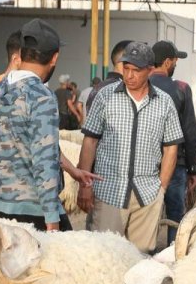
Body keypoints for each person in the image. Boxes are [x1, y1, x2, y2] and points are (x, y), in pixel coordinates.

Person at [0, 21, 94, 231]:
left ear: (21, 54)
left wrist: (72, 170)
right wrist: (52, 221)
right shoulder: (42, 96)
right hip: (35, 211)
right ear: (54, 58)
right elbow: (44, 160)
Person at [77, 41, 182, 251]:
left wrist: (161, 188)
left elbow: (171, 147)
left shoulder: (164, 102)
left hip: (147, 195)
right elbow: (90, 140)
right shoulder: (105, 97)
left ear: (150, 71)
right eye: (126, 68)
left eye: (136, 70)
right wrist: (85, 184)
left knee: (140, 260)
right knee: (104, 257)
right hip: (108, 192)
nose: (129, 76)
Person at [149, 41, 196, 236]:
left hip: (145, 163)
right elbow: (189, 131)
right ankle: (171, 252)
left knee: (145, 213)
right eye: (176, 60)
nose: (176, 64)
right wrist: (192, 168)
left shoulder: (141, 85)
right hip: (175, 163)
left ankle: (144, 254)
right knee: (175, 213)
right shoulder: (181, 88)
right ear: (168, 62)